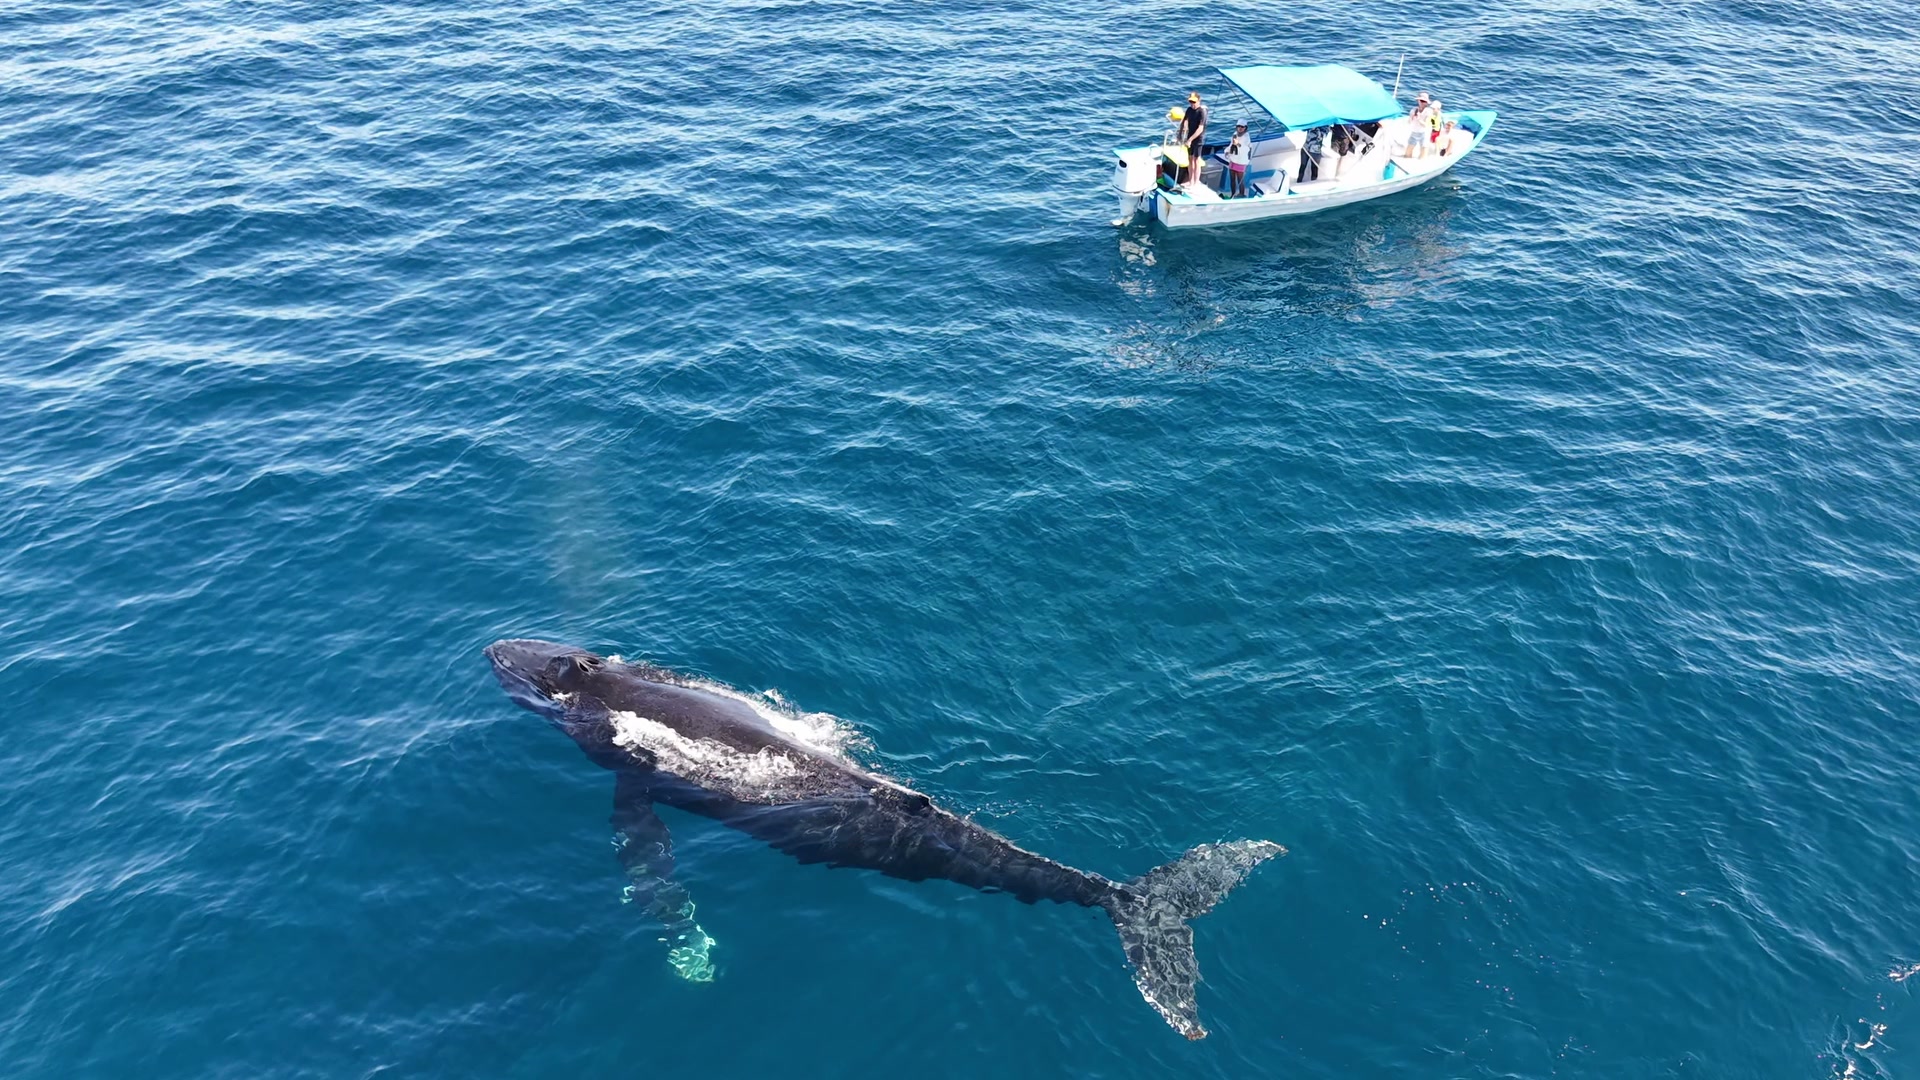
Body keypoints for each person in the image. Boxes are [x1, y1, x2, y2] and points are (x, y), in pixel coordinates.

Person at [1176, 91, 1208, 184]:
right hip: (1189, 137)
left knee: (1196, 160)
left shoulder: (1201, 112)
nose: (1192, 104)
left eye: (1194, 102)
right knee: (1190, 159)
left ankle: (1195, 182)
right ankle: (1191, 180)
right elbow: (1184, 120)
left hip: (1198, 139)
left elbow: (1200, 128)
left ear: (1199, 100)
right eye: (1191, 102)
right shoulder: (1189, 110)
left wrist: (1190, 139)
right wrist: (1180, 133)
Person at [1224, 120, 1251, 197]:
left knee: (1240, 180)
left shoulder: (1246, 137)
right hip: (1233, 159)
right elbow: (1231, 145)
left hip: (1241, 161)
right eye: (1238, 126)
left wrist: (1238, 144)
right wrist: (1227, 151)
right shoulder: (1235, 134)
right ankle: (1233, 194)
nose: (1240, 128)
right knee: (1232, 179)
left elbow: (1245, 149)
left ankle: (1241, 195)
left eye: (1242, 127)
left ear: (1245, 128)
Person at [1404, 92, 1432, 158]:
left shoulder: (1429, 111)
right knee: (1408, 152)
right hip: (1414, 132)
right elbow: (1409, 122)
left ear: (1426, 102)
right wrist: (1412, 118)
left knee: (1423, 151)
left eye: (1424, 101)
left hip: (1424, 133)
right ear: (1418, 101)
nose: (1422, 103)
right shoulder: (1414, 110)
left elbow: (1426, 124)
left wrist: (1419, 119)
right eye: (1421, 101)